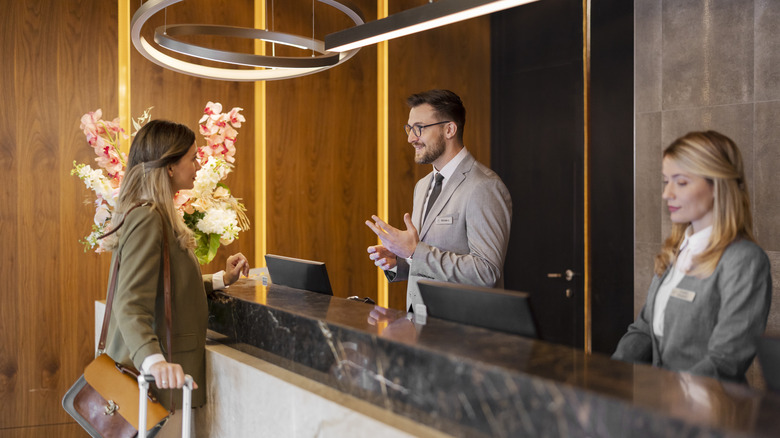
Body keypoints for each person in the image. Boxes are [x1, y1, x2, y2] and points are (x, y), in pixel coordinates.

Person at [102, 120, 249, 434]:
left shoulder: (156, 215)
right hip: (156, 388)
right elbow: (129, 305)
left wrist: (223, 278)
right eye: (193, 158)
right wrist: (154, 362)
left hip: (163, 386)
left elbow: (169, 289)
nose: (199, 165)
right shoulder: (147, 218)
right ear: (169, 166)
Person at [613, 130, 772, 383]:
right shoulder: (675, 250)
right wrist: (610, 376)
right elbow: (643, 330)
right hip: (658, 407)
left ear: (717, 186)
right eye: (666, 181)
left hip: (708, 413)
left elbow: (726, 360)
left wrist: (672, 399)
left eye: (681, 182)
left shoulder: (744, 261)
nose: (667, 193)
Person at [366, 89, 512, 311]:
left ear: (449, 129)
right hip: (421, 324)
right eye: (409, 128)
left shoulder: (484, 186)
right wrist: (401, 262)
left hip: (462, 333)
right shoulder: (423, 185)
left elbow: (486, 272)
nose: (410, 138)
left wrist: (414, 252)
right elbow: (427, 259)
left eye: (419, 128)